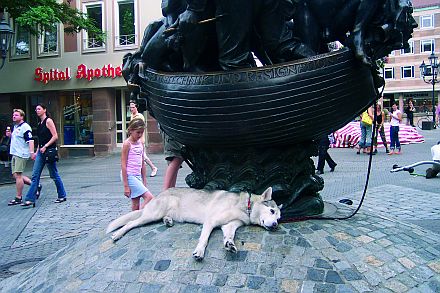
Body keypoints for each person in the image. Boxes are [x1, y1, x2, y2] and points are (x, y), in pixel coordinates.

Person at [21, 103, 67, 207]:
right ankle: (30, 199)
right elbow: (40, 139)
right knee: (35, 175)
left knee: (54, 174)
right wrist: (37, 151)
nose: (37, 111)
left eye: (39, 109)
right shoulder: (39, 123)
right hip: (41, 152)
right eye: (36, 109)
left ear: (44, 110)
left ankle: (62, 195)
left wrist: (46, 146)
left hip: (49, 152)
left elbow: (55, 136)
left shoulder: (48, 121)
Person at [121, 119, 154, 211]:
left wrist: (144, 180)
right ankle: (138, 216)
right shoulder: (127, 144)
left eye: (142, 133)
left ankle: (133, 220)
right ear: (131, 130)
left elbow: (142, 163)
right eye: (138, 132)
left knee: (136, 202)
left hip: (137, 175)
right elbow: (123, 164)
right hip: (129, 175)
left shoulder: (140, 143)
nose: (140, 135)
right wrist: (126, 186)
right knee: (149, 197)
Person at [5, 109, 37, 206]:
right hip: (14, 153)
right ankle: (35, 185)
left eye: (16, 115)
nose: (14, 116)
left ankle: (18, 197)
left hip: (21, 154)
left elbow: (30, 140)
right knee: (15, 175)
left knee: (18, 175)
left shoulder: (25, 127)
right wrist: (10, 135)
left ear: (22, 117)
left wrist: (32, 153)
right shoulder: (15, 127)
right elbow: (17, 139)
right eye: (13, 115)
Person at [129, 99, 158, 177]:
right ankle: (140, 171)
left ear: (136, 107)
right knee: (139, 156)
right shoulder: (132, 116)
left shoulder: (139, 116)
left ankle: (153, 168)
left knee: (143, 156)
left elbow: (141, 129)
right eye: (130, 107)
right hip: (134, 140)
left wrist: (141, 140)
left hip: (140, 140)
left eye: (133, 107)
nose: (131, 109)